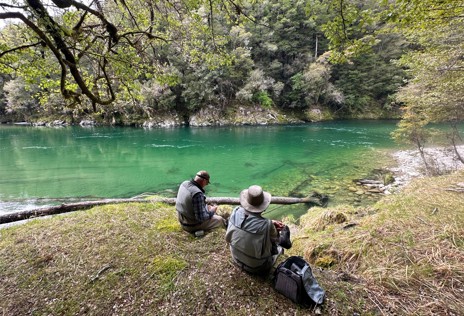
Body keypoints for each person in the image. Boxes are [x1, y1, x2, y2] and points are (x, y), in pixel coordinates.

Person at [225, 185, 292, 275]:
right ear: (263, 206)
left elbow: (247, 222)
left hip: (236, 257)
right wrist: (272, 226)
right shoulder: (267, 225)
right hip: (257, 266)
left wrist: (270, 223)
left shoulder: (235, 211)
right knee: (279, 248)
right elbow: (276, 240)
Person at [176, 170, 226, 235]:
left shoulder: (184, 183)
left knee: (207, 208)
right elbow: (201, 218)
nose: (206, 185)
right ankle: (226, 230)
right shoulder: (197, 194)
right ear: (204, 181)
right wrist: (212, 211)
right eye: (207, 183)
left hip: (181, 219)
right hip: (189, 225)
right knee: (219, 220)